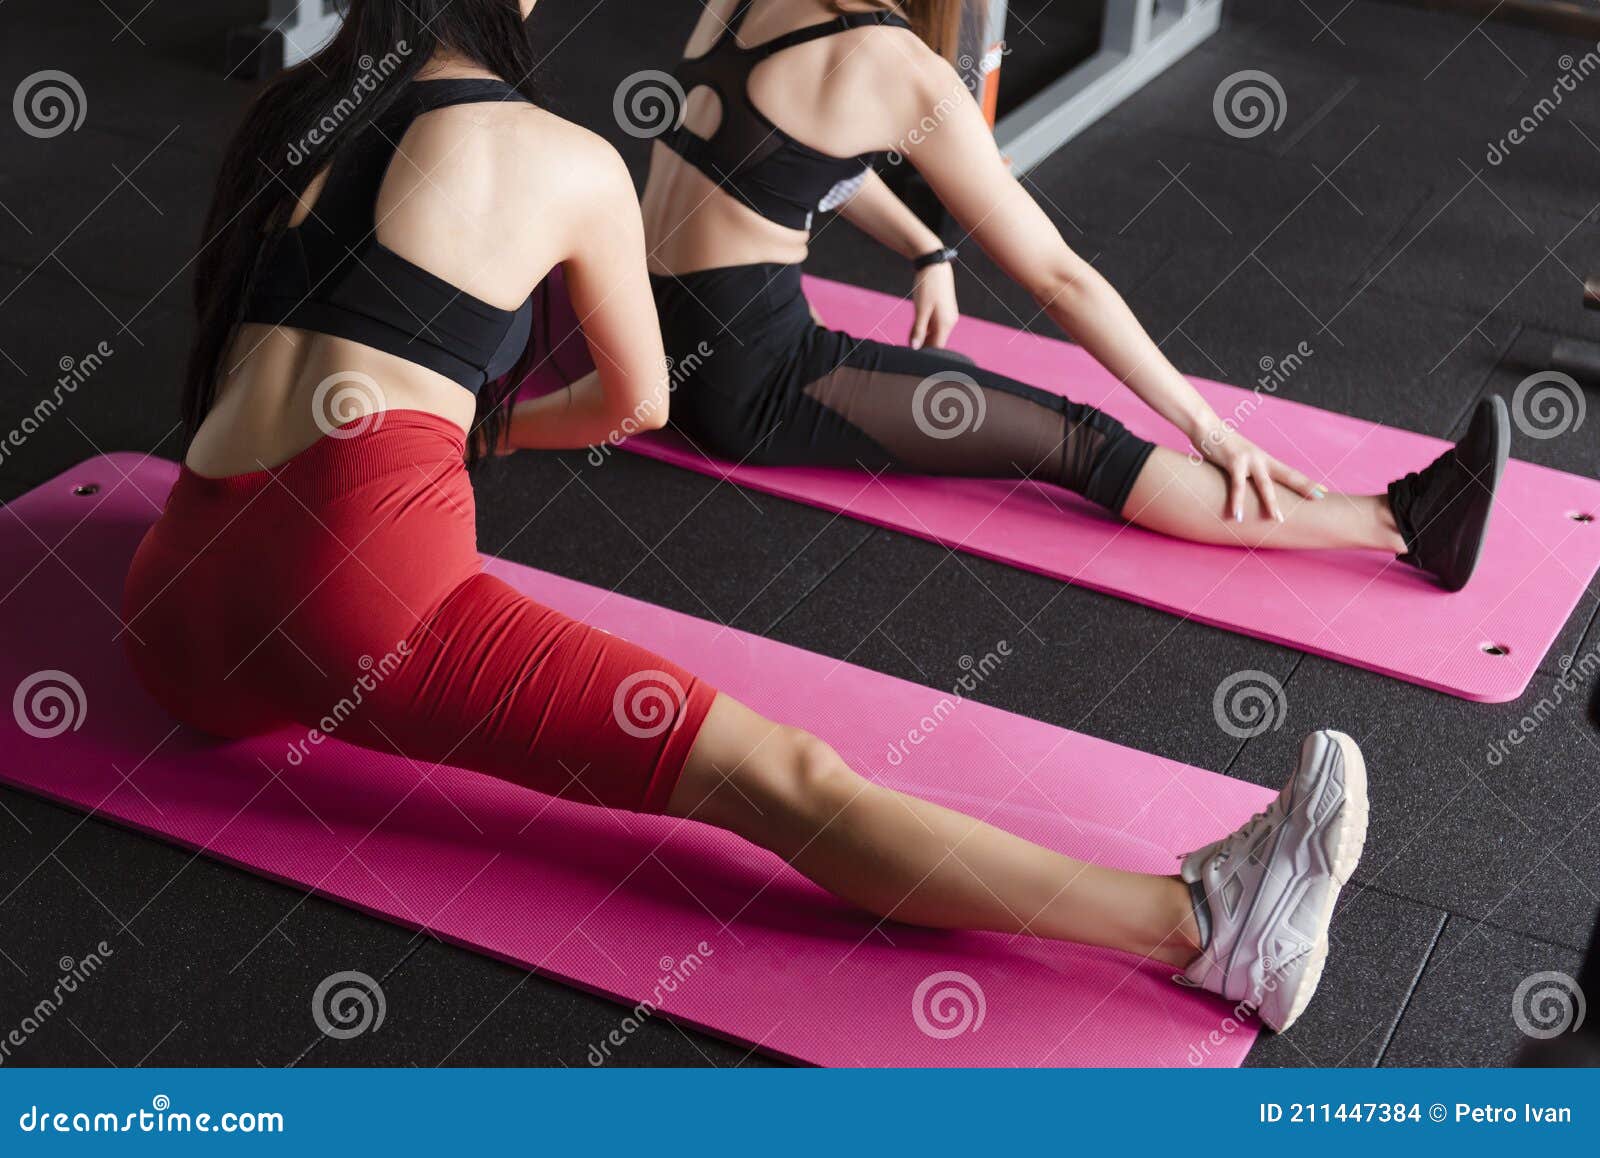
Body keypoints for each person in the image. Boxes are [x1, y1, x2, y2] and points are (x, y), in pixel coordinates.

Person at [123, 0, 1368, 1035]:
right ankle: (1211, 930)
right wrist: (493, 430)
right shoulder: (563, 159)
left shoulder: (297, 114)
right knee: (777, 775)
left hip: (173, 612)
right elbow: (634, 401)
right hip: (360, 610)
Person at [600, 0, 1507, 593]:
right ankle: (1405, 524)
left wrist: (925, 247)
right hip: (745, 388)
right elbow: (1058, 276)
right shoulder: (900, 69)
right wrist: (1210, 427)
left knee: (948, 380)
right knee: (1078, 438)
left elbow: (770, 162)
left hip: (647, 329)